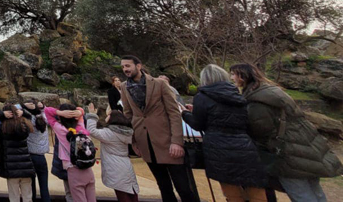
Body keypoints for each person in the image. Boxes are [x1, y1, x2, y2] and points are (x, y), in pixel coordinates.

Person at [231, 63, 343, 202]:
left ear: (242, 77)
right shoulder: (270, 90)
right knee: (315, 191)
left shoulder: (257, 100)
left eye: (233, 74)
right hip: (306, 146)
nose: (232, 77)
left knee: (300, 194)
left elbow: (261, 130)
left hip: (288, 153)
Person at [181, 64, 267, 202]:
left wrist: (185, 114)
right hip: (244, 146)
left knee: (232, 193)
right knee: (255, 188)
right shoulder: (237, 94)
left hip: (218, 148)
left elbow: (198, 124)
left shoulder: (202, 97)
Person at [119, 55, 199, 202]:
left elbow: (174, 113)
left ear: (138, 66)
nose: (125, 69)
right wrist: (134, 142)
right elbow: (128, 115)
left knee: (183, 187)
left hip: (167, 142)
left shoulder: (159, 84)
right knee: (163, 186)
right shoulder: (124, 87)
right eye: (123, 67)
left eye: (128, 66)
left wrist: (177, 141)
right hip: (146, 144)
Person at [85, 104, 139, 202]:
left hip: (115, 167)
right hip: (126, 165)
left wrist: (92, 115)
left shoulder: (109, 133)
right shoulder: (127, 132)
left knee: (122, 195)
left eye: (108, 115)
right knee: (131, 192)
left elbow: (91, 130)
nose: (107, 116)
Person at [44, 104, 95, 202]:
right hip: (88, 170)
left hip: (73, 169)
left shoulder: (60, 129)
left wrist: (59, 112)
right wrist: (80, 111)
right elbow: (80, 115)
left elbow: (46, 111)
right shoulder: (81, 128)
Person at [0, 102, 35, 202]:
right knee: (28, 196)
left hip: (10, 167)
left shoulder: (2, 127)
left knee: (14, 197)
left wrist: (1, 114)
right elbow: (30, 117)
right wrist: (23, 113)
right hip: (26, 166)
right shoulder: (25, 125)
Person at [20, 98, 51, 202]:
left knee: (30, 187)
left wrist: (23, 106)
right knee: (44, 187)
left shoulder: (28, 120)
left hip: (29, 157)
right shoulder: (43, 120)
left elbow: (16, 108)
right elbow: (45, 113)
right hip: (41, 157)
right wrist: (42, 107)